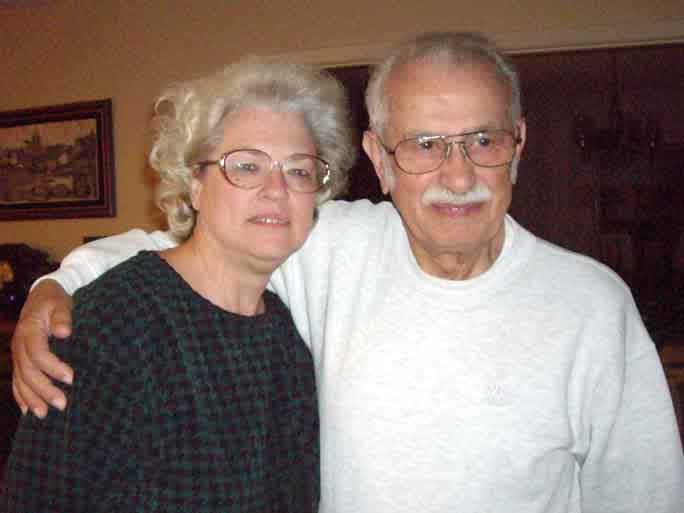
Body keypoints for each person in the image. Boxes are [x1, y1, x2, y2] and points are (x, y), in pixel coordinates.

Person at [11, 32, 684, 513]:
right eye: (424, 144)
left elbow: (645, 496)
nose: (458, 176)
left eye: (483, 140)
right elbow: (181, 247)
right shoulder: (333, 247)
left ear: (519, 146)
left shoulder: (592, 305)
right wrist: (55, 288)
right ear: (380, 160)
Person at [4, 57, 356, 512]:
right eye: (246, 166)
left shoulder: (290, 336)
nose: (277, 189)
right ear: (195, 184)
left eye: (298, 170)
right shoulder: (112, 323)